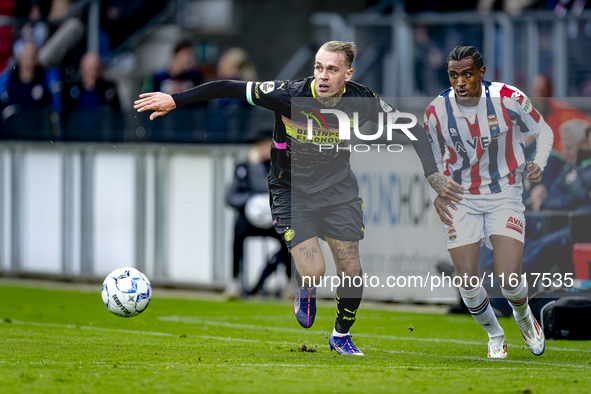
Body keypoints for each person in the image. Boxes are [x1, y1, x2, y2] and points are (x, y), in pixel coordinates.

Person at [135, 40, 462, 356]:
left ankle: (341, 335)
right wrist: (176, 99)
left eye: (332, 70)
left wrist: (432, 173)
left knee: (352, 270)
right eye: (318, 67)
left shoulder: (362, 99)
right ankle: (306, 286)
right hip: (291, 190)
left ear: (347, 75)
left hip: (337, 190)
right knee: (315, 270)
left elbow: (413, 129)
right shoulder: (288, 94)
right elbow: (229, 87)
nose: (322, 75)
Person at [424, 46, 554, 358]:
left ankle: (526, 321)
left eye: (467, 74)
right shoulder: (436, 111)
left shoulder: (510, 99)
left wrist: (540, 162)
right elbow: (432, 162)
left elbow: (544, 131)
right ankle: (495, 335)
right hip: (462, 196)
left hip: (504, 193)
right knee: (467, 283)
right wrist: (437, 195)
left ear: (481, 74)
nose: (460, 81)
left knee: (509, 279)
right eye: (454, 75)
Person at [225, 129, 291, 299]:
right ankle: (236, 281)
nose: (262, 148)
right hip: (250, 220)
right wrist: (249, 202)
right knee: (237, 231)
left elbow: (266, 188)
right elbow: (230, 197)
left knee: (289, 235)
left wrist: (255, 167)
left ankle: (290, 282)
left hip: (275, 220)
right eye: (259, 144)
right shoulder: (243, 167)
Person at [62, 52, 121, 140]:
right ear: (82, 69)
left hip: (101, 140)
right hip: (76, 139)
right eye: (89, 69)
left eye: (94, 69)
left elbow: (115, 117)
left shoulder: (108, 90)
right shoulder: (72, 91)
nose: (92, 73)